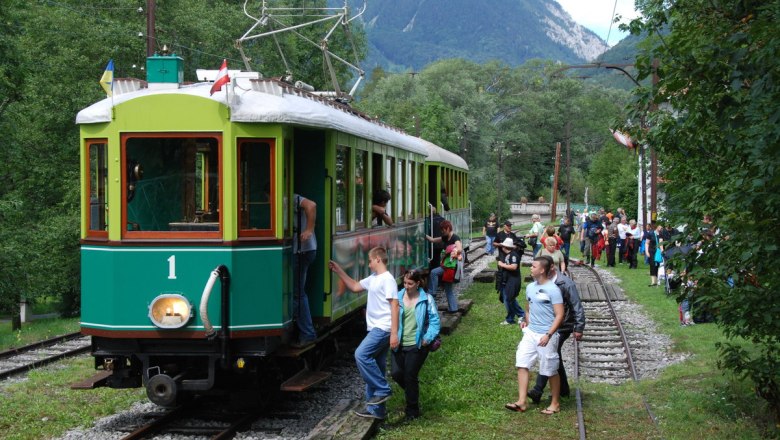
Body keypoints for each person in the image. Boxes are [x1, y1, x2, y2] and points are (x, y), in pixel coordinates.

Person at [328, 247, 399, 419]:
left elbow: (395, 306)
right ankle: (377, 411)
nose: (368, 264)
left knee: (361, 355)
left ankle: (383, 389)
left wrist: (394, 333)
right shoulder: (374, 278)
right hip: (375, 327)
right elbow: (354, 286)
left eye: (370, 260)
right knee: (377, 367)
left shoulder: (387, 280)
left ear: (378, 260)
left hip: (383, 328)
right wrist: (339, 270)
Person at [504, 256, 564, 415]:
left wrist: (549, 335)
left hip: (547, 335)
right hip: (530, 333)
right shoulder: (530, 287)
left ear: (542, 270)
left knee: (550, 369)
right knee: (522, 363)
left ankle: (555, 403)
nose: (530, 268)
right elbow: (528, 308)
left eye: (533, 266)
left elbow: (559, 315)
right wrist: (526, 321)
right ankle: (522, 402)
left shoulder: (553, 290)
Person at [528, 261, 585, 403]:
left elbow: (576, 305)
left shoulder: (565, 283)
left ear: (551, 268)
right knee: (554, 355)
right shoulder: (541, 283)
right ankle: (563, 390)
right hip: (548, 324)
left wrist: (578, 327)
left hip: (563, 325)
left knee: (549, 352)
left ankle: (538, 389)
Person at [391, 270, 440, 420]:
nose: (406, 286)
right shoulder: (397, 298)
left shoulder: (426, 299)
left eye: (410, 284)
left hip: (417, 344)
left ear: (418, 283)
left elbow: (435, 321)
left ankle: (412, 411)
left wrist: (427, 338)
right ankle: (412, 392)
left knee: (410, 375)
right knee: (396, 374)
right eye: (404, 283)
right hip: (399, 343)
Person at [291, 194, 317, 347]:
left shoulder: (291, 198)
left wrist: (309, 229)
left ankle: (307, 333)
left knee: (297, 293)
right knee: (297, 292)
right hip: (302, 250)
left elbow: (311, 205)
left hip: (302, 251)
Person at [425, 220, 462, 313]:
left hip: (451, 267)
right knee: (448, 288)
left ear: (448, 228)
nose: (442, 232)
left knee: (434, 272)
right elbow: (433, 240)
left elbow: (460, 249)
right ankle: (453, 308)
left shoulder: (455, 238)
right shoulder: (445, 238)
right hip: (447, 266)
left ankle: (432, 292)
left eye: (443, 230)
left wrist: (455, 252)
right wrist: (424, 235)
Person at [496, 237, 525, 326]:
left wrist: (502, 265)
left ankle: (511, 318)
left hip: (512, 281)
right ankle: (521, 315)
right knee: (508, 299)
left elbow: (514, 267)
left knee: (508, 300)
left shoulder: (513, 255)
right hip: (506, 280)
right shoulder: (508, 255)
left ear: (505, 247)